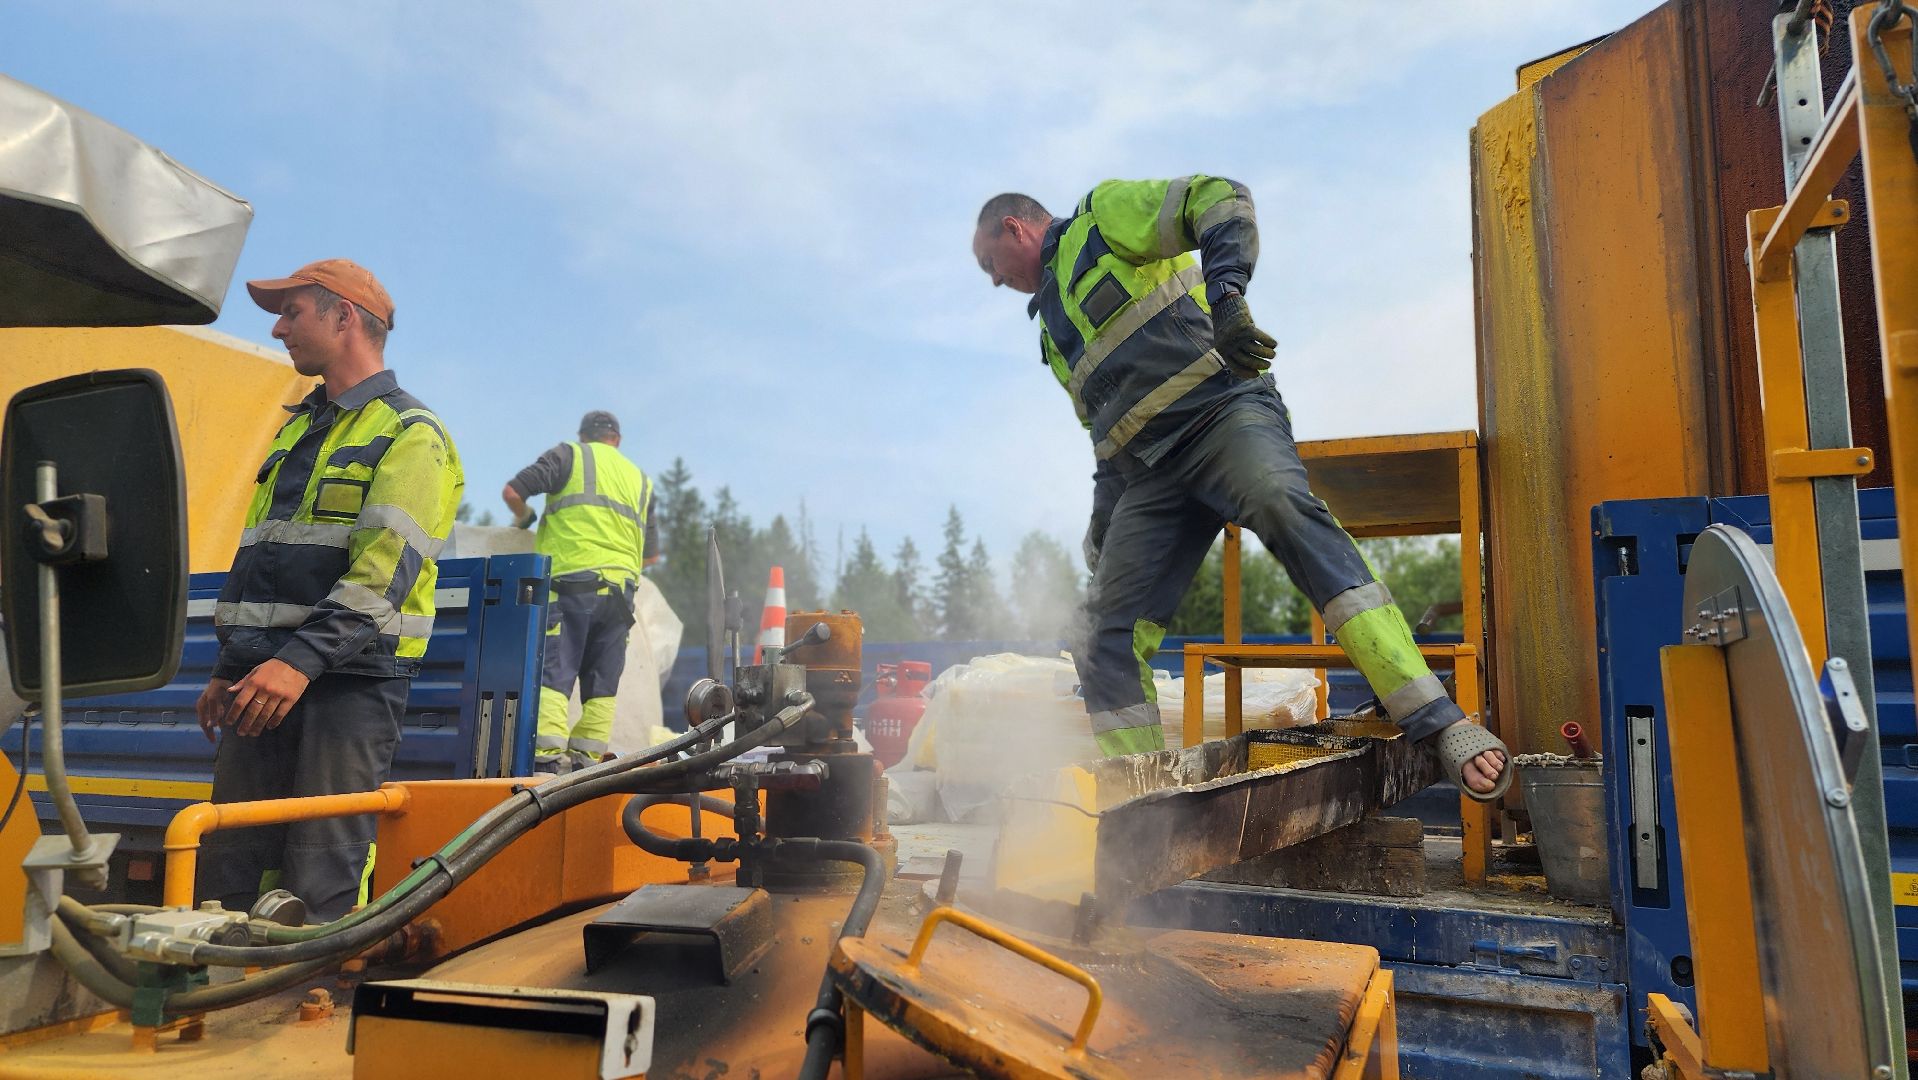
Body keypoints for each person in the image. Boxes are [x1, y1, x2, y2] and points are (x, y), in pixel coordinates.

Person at [971, 178, 1509, 800]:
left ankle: (1440, 723)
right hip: (1149, 475)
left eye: (989, 262)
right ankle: (1143, 804)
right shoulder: (1051, 335)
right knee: (1100, 635)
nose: (991, 280)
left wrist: (1226, 295)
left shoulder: (1101, 222)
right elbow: (1107, 436)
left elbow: (1220, 198)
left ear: (1016, 228)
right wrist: (1103, 524)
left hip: (1222, 415)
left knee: (1284, 510)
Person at [195, 259, 465, 920]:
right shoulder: (297, 430)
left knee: (322, 868)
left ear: (344, 316)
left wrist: (298, 662)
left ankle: (307, 1005)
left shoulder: (412, 435)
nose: (280, 329)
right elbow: (260, 557)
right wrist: (229, 666)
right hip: (264, 680)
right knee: (229, 858)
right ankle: (223, 1002)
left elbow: (382, 578)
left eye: (293, 312)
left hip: (350, 684)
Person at [502, 411, 658, 774]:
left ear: (584, 436)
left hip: (572, 585)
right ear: (616, 439)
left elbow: (513, 492)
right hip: (621, 596)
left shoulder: (568, 456)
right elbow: (650, 556)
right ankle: (587, 766)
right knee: (603, 684)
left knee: (556, 674)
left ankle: (547, 762)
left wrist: (524, 518)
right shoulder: (641, 482)